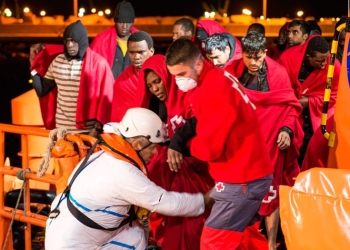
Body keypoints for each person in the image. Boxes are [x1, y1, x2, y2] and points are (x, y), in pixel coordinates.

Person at [44, 107, 213, 250]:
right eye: (152, 147)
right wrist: (204, 200)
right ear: (138, 144)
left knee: (134, 231)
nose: (154, 153)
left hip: (61, 234)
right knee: (137, 236)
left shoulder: (101, 156)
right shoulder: (124, 173)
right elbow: (166, 202)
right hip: (73, 244)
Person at [165, 38, 273, 249]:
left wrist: (187, 147)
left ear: (197, 64)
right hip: (248, 174)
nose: (178, 81)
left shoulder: (213, 90)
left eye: (181, 74)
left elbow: (208, 150)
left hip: (241, 179)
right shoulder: (216, 78)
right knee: (246, 241)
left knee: (213, 242)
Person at [228, 31, 304, 250]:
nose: (253, 62)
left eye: (258, 57)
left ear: (264, 52)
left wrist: (287, 130)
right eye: (248, 57)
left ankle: (270, 245)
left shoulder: (279, 73)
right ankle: (244, 243)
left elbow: (291, 105)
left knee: (270, 195)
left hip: (271, 142)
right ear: (242, 53)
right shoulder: (232, 71)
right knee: (241, 194)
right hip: (242, 144)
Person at [135, 55, 214, 250]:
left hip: (199, 165)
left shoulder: (189, 94)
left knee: (195, 222)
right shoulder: (157, 105)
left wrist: (176, 144)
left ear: (167, 75)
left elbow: (202, 119)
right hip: (177, 169)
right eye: (150, 86)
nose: (155, 89)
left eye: (157, 81)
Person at [30, 20, 115, 136]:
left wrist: (96, 129)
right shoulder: (58, 61)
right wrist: (33, 66)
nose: (70, 45)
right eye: (67, 41)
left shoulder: (99, 64)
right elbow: (42, 90)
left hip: (87, 132)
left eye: (74, 41)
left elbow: (108, 100)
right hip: (62, 132)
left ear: (82, 41)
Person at [278, 35, 340, 168]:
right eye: (320, 61)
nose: (324, 64)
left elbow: (335, 95)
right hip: (290, 114)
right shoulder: (288, 58)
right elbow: (278, 86)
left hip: (315, 119)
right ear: (308, 57)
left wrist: (310, 101)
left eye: (326, 59)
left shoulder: (334, 65)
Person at [111, 31, 155, 122]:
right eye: (132, 53)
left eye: (141, 52)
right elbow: (119, 119)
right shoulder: (122, 83)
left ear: (151, 51)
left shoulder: (164, 75)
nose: (136, 57)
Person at [90, 0, 138, 79]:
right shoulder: (101, 40)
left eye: (128, 22)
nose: (124, 26)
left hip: (132, 90)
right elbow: (90, 69)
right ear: (115, 21)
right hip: (108, 89)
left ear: (133, 22)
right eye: (121, 22)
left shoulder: (141, 41)